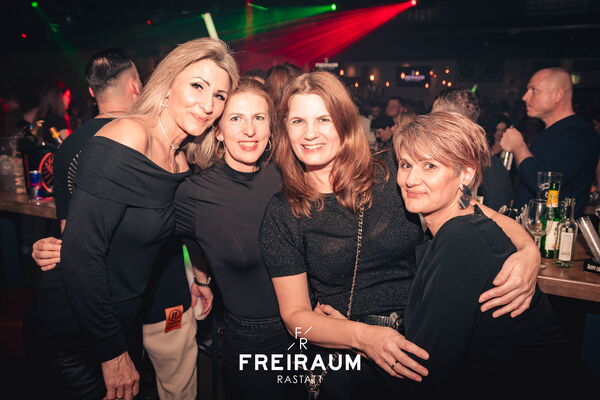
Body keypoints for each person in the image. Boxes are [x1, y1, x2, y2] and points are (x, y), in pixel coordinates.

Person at [258, 71, 541, 399]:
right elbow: (295, 318)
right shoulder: (283, 212)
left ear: (346, 122)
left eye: (324, 119)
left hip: (426, 333)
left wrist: (528, 250)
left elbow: (475, 210)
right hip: (350, 348)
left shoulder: (394, 173)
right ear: (285, 128)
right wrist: (362, 337)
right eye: (298, 121)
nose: (310, 133)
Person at [24, 37, 239, 400]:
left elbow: (171, 231)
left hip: (122, 317)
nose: (208, 104)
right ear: (168, 84)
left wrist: (201, 277)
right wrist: (112, 353)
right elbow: (83, 252)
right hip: (76, 329)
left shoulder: (181, 157)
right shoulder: (129, 135)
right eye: (198, 86)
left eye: (219, 95)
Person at [395, 111, 598, 397]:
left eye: (429, 166)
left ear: (466, 173)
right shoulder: (462, 225)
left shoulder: (461, 237)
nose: (411, 179)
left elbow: (425, 367)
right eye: (406, 164)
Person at [175, 78, 304, 400]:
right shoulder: (195, 194)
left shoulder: (290, 178)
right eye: (236, 118)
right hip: (251, 339)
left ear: (271, 128)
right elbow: (191, 242)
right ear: (218, 131)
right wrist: (202, 280)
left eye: (259, 118)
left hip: (309, 331)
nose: (249, 130)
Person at [500, 67, 600, 218]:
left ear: (558, 95)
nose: (525, 97)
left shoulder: (578, 133)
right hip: (532, 227)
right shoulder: (553, 131)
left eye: (534, 90)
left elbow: (543, 184)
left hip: (551, 229)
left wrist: (518, 146)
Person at [431, 87, 512, 211]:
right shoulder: (427, 160)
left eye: (434, 118)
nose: (428, 123)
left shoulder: (490, 167)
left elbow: (497, 215)